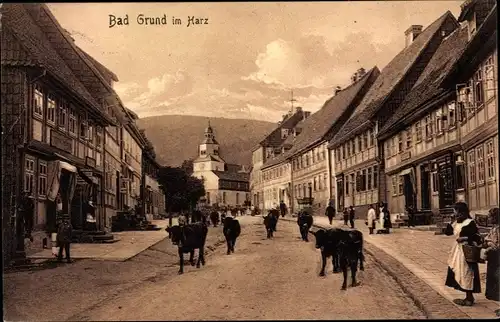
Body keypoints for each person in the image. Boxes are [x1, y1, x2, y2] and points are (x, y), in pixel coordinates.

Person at [444, 202, 482, 307]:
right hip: (457, 251)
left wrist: (464, 238)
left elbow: (477, 237)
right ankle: (467, 297)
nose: (454, 213)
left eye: (455, 211)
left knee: (467, 273)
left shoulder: (470, 222)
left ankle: (469, 298)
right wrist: (451, 222)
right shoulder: (456, 222)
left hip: (467, 251)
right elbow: (447, 232)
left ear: (461, 211)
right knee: (459, 272)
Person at [481, 208, 499, 304]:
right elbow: (487, 239)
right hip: (493, 258)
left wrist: (490, 244)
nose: (488, 219)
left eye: (490, 217)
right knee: (493, 281)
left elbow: (497, 245)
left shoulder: (498, 229)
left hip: (497, 257)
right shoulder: (493, 228)